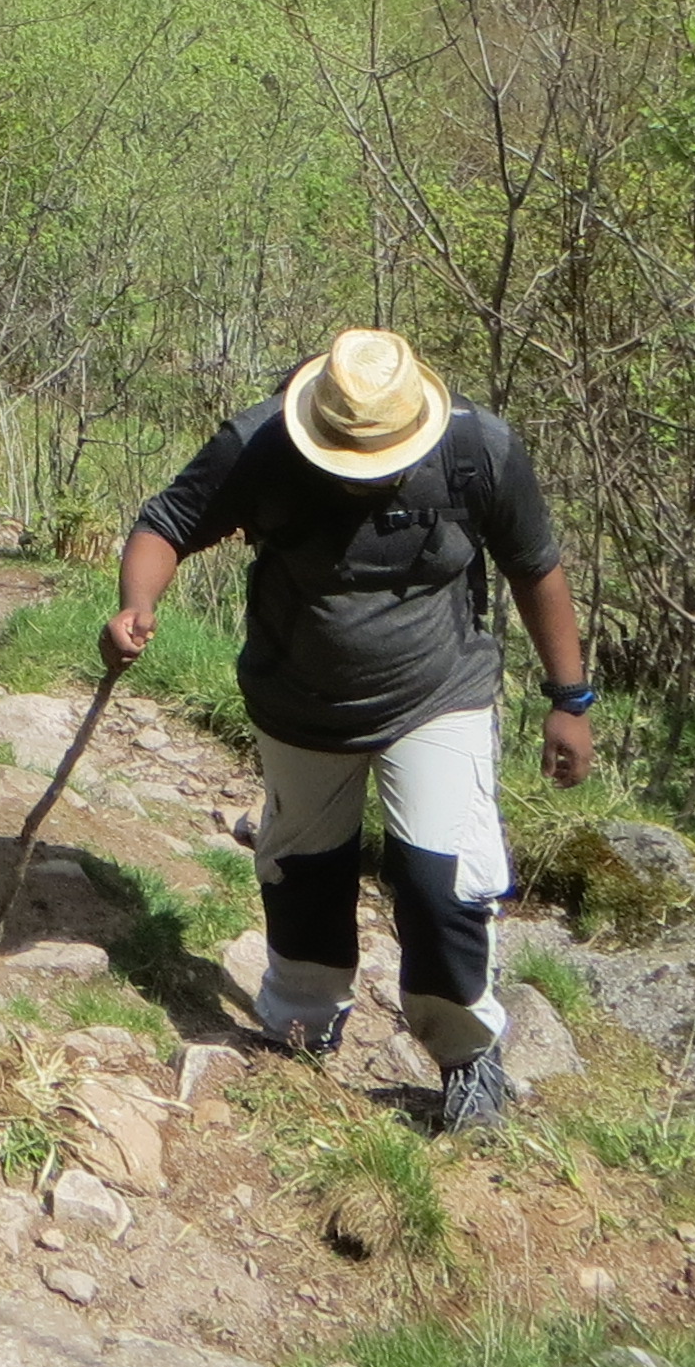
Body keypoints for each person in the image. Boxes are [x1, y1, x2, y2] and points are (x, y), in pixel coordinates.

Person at [103, 326, 593, 1135]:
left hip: (439, 693)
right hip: (298, 699)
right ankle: (299, 1030)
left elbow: (535, 564)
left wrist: (569, 699)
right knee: (304, 870)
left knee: (442, 881)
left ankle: (468, 1056)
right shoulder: (260, 444)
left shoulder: (478, 450)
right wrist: (136, 605)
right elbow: (168, 523)